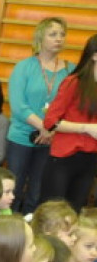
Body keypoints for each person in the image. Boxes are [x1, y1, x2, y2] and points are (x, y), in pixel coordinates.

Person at [7, 17, 72, 213]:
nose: (58, 38)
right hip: (21, 137)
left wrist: (51, 131)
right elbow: (19, 106)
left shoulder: (71, 70)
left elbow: (71, 106)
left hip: (52, 139)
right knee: (14, 187)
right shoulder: (24, 67)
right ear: (40, 38)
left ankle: (30, 227)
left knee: (38, 190)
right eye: (53, 34)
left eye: (62, 34)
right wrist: (44, 127)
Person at [41, 33, 97, 211]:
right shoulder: (73, 82)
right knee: (52, 212)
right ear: (95, 55)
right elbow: (50, 122)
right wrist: (86, 128)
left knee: (74, 212)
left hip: (90, 159)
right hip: (64, 158)